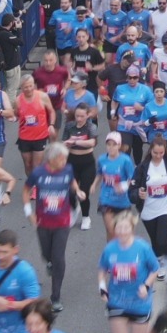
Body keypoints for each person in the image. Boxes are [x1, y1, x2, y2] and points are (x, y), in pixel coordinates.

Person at [97, 209, 160, 333]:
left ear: (132, 228)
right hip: (117, 302)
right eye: (119, 228)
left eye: (126, 228)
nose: (122, 231)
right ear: (115, 229)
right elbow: (102, 270)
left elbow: (154, 269)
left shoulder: (142, 248)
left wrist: (146, 286)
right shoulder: (110, 249)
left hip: (140, 302)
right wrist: (102, 287)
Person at [26, 143, 87, 310]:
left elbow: (72, 181)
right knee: (47, 254)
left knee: (59, 257)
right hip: (43, 222)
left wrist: (78, 191)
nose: (65, 161)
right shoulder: (38, 173)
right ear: (52, 159)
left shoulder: (67, 170)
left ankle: (56, 297)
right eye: (62, 158)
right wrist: (28, 212)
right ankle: (49, 262)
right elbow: (25, 190)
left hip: (62, 222)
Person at [132, 136, 167, 278]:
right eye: (156, 153)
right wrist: (138, 193)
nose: (158, 156)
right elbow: (132, 190)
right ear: (150, 151)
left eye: (161, 153)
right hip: (148, 209)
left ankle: (166, 262)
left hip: (166, 207)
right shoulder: (142, 167)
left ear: (165, 151)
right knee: (155, 241)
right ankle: (158, 262)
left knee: (162, 240)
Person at [62, 85, 101, 230]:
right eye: (77, 116)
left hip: (87, 162)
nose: (79, 119)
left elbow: (92, 143)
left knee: (83, 191)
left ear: (87, 115)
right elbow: (64, 142)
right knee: (71, 191)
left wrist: (76, 142)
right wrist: (68, 143)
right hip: (71, 161)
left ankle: (86, 217)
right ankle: (73, 210)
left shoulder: (91, 127)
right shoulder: (70, 126)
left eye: (82, 116)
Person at [16, 74, 59, 179]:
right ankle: (31, 182)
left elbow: (52, 111)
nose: (29, 89)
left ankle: (36, 187)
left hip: (40, 136)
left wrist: (51, 125)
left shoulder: (42, 96)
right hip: (24, 137)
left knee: (36, 166)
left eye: (31, 86)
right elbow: (16, 114)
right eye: (26, 87)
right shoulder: (18, 100)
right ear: (21, 88)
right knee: (28, 164)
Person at [95, 132, 138, 236]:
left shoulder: (125, 161)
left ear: (119, 145)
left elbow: (133, 179)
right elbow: (100, 173)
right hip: (106, 199)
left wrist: (124, 186)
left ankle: (125, 249)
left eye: (114, 145)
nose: (111, 147)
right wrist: (94, 185)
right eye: (108, 144)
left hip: (122, 201)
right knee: (111, 231)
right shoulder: (102, 159)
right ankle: (111, 251)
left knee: (124, 232)